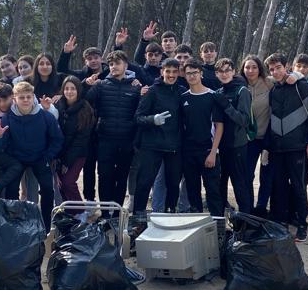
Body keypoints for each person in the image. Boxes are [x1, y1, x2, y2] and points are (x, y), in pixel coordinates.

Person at [265, 54, 308, 242]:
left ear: (287, 66)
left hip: (297, 147)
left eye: (278, 67)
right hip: (277, 149)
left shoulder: (301, 86)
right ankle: (282, 224)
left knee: (299, 187)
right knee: (280, 187)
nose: (275, 72)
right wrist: (268, 146)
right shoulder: (274, 90)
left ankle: (301, 225)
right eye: (272, 69)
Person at [0, 81, 64, 230]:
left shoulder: (45, 116)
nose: (25, 100)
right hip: (17, 160)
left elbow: (57, 139)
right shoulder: (7, 119)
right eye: (21, 97)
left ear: (33, 97)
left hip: (40, 157)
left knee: (48, 189)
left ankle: (46, 224)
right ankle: (15, 224)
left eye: (28, 97)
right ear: (14, 99)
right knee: (11, 190)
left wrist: (47, 156)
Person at [84, 50, 142, 209]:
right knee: (104, 176)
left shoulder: (135, 87)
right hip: (105, 139)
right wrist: (87, 85)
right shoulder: (101, 85)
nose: (113, 66)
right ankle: (104, 213)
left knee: (121, 178)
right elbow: (84, 101)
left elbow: (140, 112)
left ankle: (117, 214)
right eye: (110, 64)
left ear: (126, 65)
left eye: (117, 63)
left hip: (126, 140)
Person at [132, 58, 185, 213]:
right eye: (168, 71)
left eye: (174, 71)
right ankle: (138, 215)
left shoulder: (182, 92)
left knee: (173, 183)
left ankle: (170, 212)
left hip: (174, 145)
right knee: (144, 182)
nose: (171, 75)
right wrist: (152, 119)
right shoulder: (152, 91)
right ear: (162, 72)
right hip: (152, 144)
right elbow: (138, 117)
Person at [179, 60, 226, 216]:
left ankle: (218, 224)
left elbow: (219, 126)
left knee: (213, 191)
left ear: (201, 73)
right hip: (189, 152)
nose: (192, 76)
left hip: (208, 151)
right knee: (192, 191)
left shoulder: (213, 96)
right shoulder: (183, 97)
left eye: (195, 73)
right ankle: (196, 223)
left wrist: (213, 152)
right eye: (188, 73)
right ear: (185, 76)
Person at [215, 58, 254, 213]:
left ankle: (246, 219)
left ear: (233, 72)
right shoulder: (218, 92)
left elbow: (244, 120)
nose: (224, 74)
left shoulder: (242, 91)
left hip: (237, 145)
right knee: (220, 183)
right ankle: (220, 218)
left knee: (239, 184)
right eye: (221, 71)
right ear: (216, 74)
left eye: (227, 70)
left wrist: (227, 106)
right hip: (220, 146)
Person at [241, 55, 273, 216]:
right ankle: (248, 209)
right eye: (247, 67)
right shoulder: (240, 85)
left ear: (260, 69)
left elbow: (291, 77)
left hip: (268, 138)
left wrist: (294, 75)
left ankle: (261, 207)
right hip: (249, 139)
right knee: (247, 175)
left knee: (266, 176)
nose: (250, 70)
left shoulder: (269, 83)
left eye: (254, 67)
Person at [56, 76, 96, 203]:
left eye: (73, 88)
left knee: (68, 182)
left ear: (78, 90)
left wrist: (67, 162)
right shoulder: (58, 105)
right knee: (59, 184)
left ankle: (79, 210)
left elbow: (81, 140)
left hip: (78, 154)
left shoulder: (85, 109)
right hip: (59, 153)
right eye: (66, 88)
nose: (69, 92)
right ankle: (67, 210)